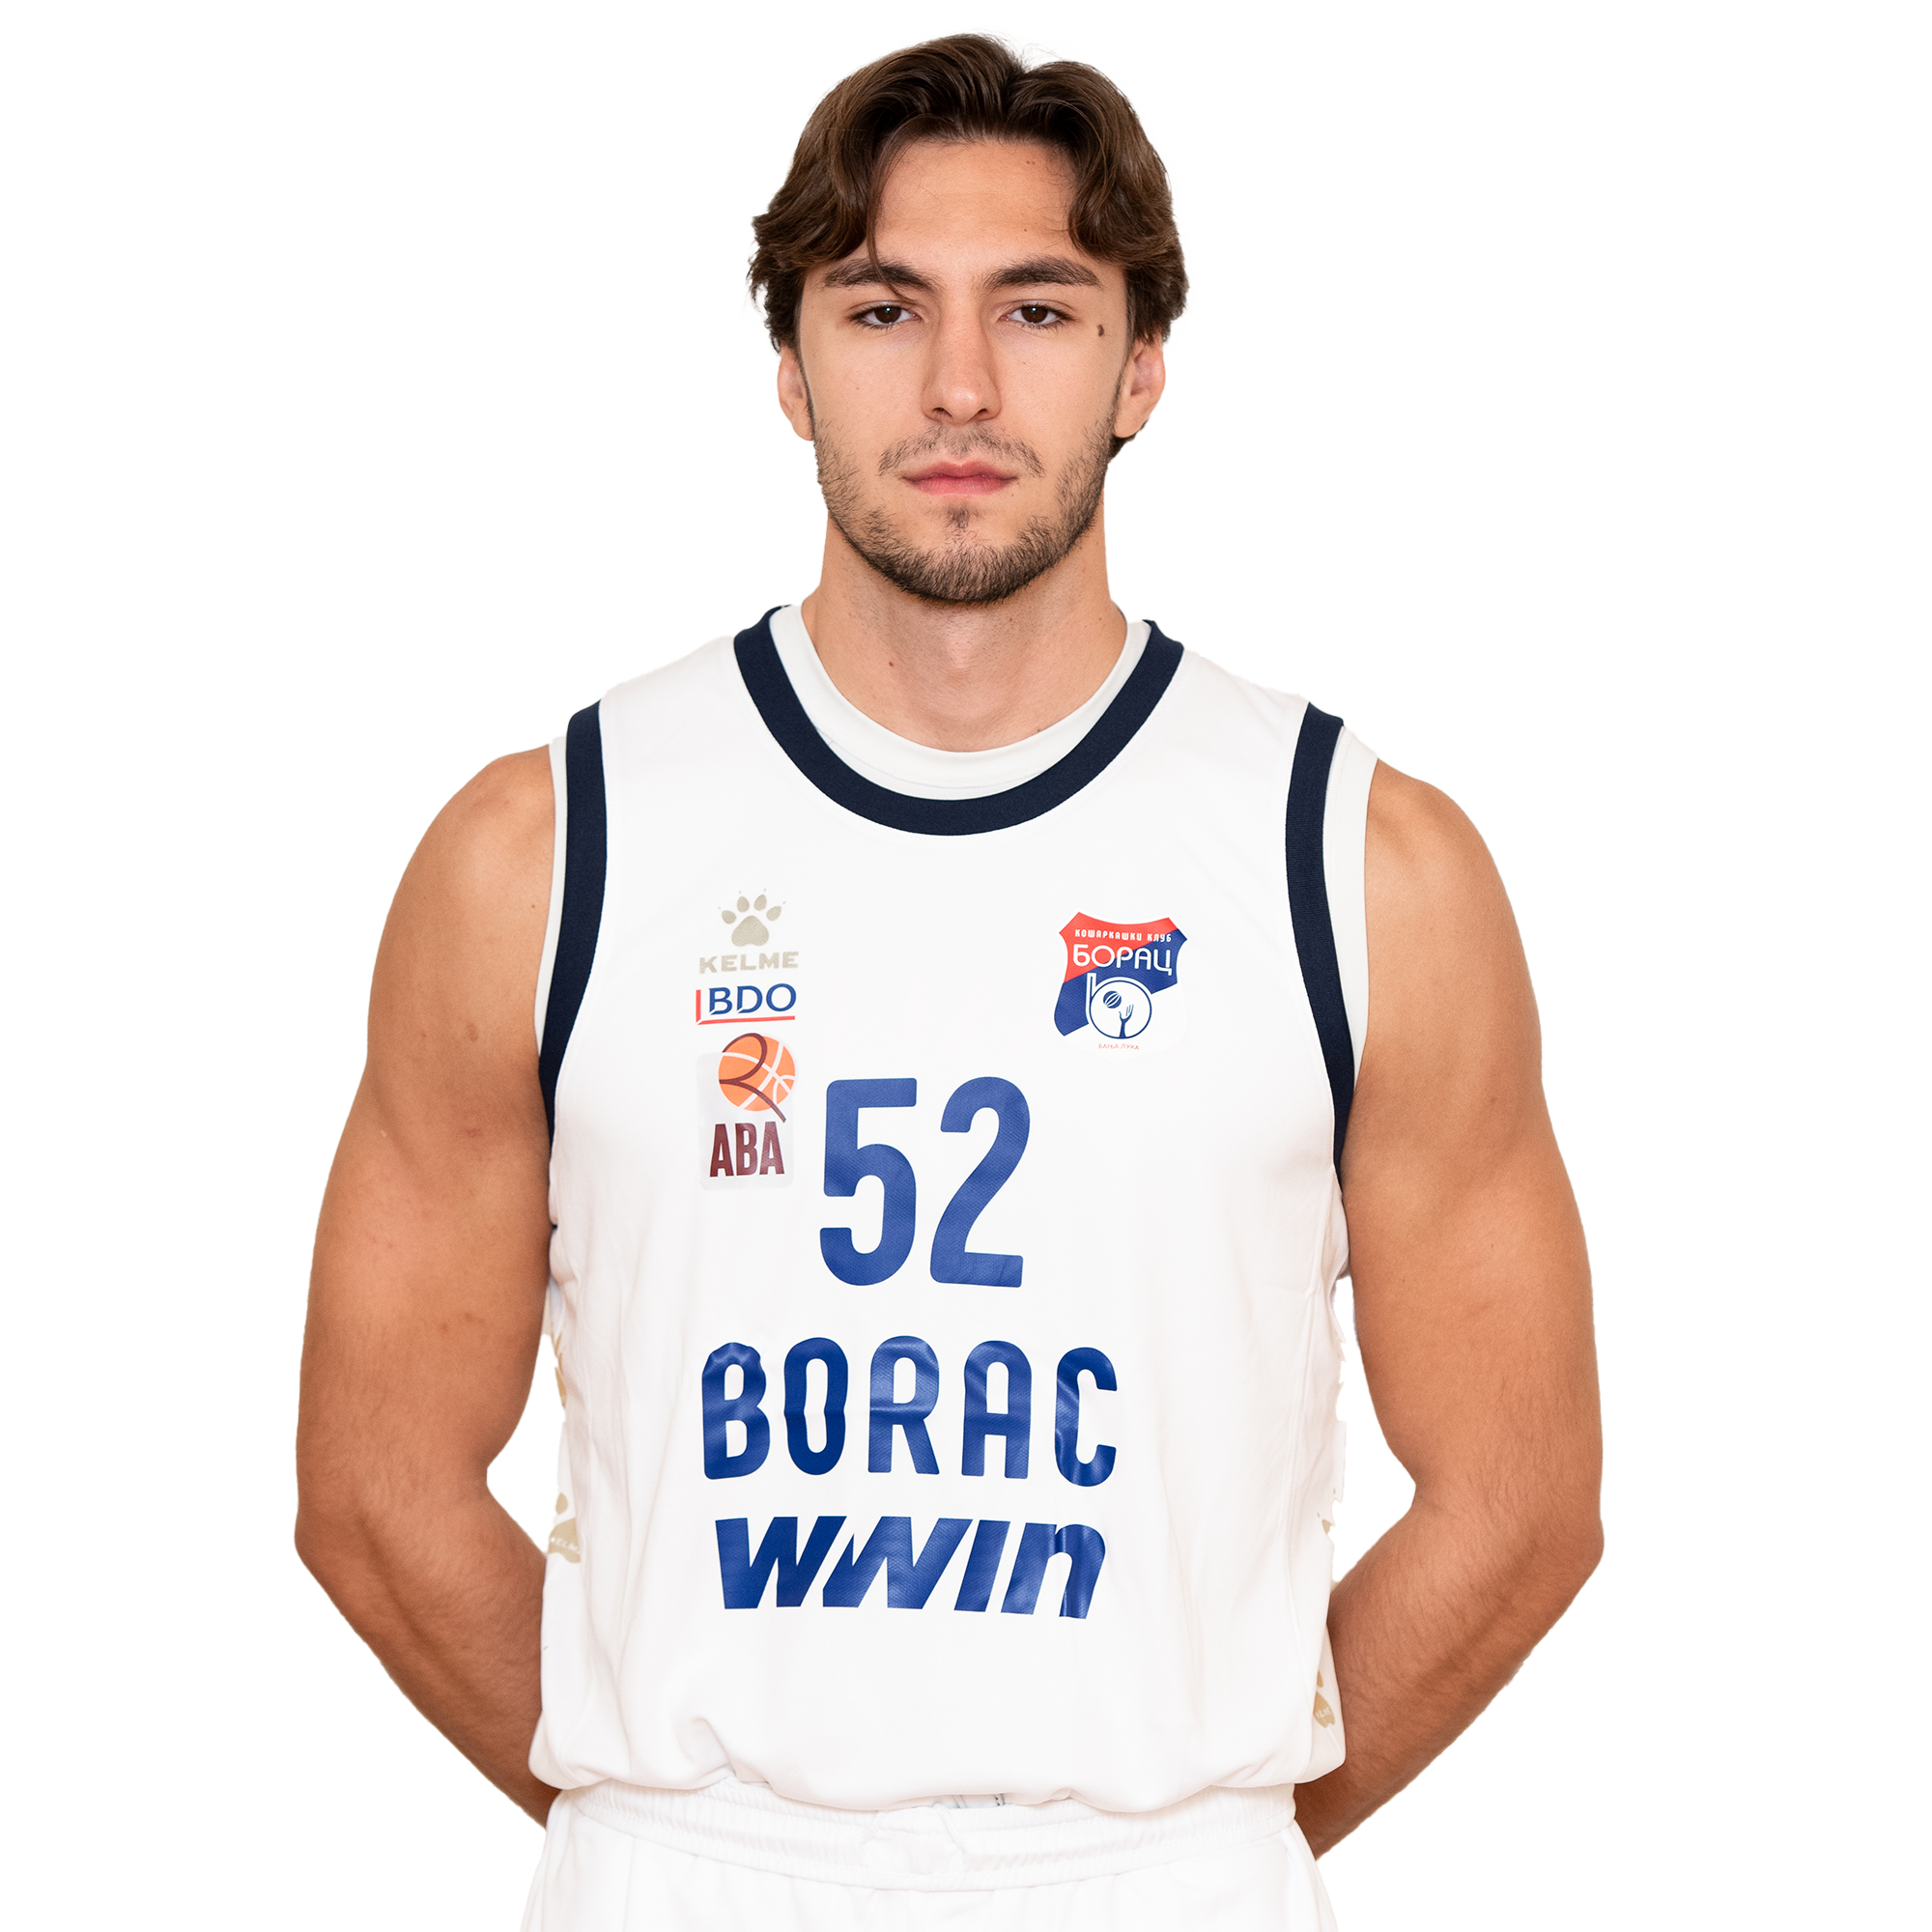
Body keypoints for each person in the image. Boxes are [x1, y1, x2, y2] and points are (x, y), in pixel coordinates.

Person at [296, 31, 1602, 1930]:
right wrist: (651, 1809)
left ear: (1141, 364)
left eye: (1042, 309)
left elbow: (1522, 1496)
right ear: (789, 362)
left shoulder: (1361, 865)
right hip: (687, 1870)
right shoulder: (545, 852)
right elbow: (372, 1481)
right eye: (883, 306)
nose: (961, 384)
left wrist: (1199, 1826)